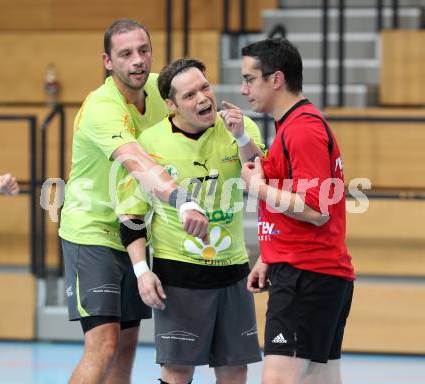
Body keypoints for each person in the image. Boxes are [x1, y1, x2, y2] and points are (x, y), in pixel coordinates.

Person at [58, 20, 208, 384]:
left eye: (144, 50)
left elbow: (203, 115)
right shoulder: (101, 107)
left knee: (126, 345)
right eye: (126, 54)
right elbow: (136, 160)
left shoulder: (160, 91)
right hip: (91, 233)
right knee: (103, 345)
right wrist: (182, 199)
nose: (138, 60)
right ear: (108, 61)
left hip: (134, 231)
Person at [118, 58, 264, 384]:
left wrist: (241, 138)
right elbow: (131, 216)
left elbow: (264, 178)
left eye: (205, 87)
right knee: (178, 372)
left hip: (233, 270)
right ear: (170, 105)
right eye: (189, 95)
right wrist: (142, 272)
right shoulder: (150, 144)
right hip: (178, 274)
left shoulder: (241, 129)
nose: (202, 99)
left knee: (235, 371)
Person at [239, 38, 355, 384]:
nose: (244, 89)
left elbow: (315, 209)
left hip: (306, 275)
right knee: (319, 380)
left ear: (276, 79)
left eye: (250, 79)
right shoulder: (292, 125)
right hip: (315, 272)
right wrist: (268, 256)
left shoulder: (302, 129)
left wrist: (257, 188)